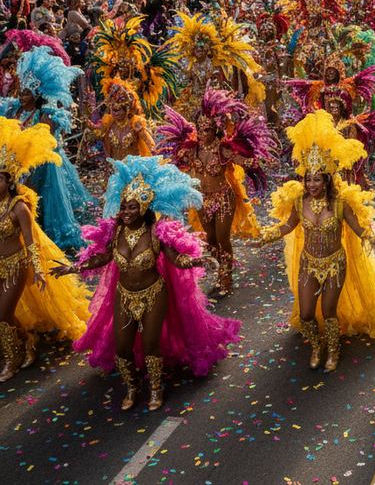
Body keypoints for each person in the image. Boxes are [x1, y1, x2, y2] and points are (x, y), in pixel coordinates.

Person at [53, 156, 240, 411]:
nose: (126, 212)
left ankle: (155, 387)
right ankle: (132, 387)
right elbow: (103, 257)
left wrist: (198, 261)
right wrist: (74, 267)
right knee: (122, 347)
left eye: (132, 207)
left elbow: (177, 259)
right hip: (124, 295)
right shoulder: (116, 231)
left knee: (151, 344)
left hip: (153, 294)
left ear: (143, 208)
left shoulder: (156, 233)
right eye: (123, 207)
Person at [258, 110, 375, 371]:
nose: (311, 184)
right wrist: (266, 236)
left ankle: (333, 351)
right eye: (308, 179)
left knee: (329, 312)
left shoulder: (339, 204)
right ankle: (317, 345)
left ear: (326, 180)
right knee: (306, 315)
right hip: (308, 263)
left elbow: (358, 228)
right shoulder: (299, 202)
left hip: (335, 264)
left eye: (317, 179)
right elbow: (288, 226)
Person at [157, 88, 275, 296]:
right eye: (200, 130)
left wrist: (253, 162)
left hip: (223, 198)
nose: (202, 134)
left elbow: (240, 160)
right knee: (210, 240)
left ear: (215, 130)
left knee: (222, 239)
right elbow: (176, 166)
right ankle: (221, 269)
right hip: (202, 200)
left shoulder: (223, 150)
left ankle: (225, 278)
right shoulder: (191, 150)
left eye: (207, 130)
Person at [0, 118, 90, 381]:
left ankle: (12, 360)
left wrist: (38, 271)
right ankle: (27, 340)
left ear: (9, 181)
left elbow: (31, 242)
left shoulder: (19, 207)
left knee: (2, 314)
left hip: (17, 265)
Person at [0, 46, 91, 250]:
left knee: (42, 200)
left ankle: (37, 231)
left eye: (26, 94)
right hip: (16, 162)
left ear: (36, 94)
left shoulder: (46, 115)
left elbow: (46, 140)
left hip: (42, 165)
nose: (21, 97)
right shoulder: (14, 110)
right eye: (20, 93)